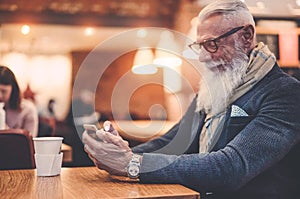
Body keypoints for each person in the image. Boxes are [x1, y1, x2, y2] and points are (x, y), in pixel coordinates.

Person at [82, 0, 300, 198]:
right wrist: (115, 152)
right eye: (200, 46)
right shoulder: (214, 89)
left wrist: (132, 163)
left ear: (246, 36)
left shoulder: (286, 94)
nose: (204, 57)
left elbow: (231, 166)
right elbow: (171, 142)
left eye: (212, 44)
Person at [0, 65, 39, 137]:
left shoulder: (27, 110)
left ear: (13, 89)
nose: (0, 96)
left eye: (4, 91)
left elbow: (29, 141)